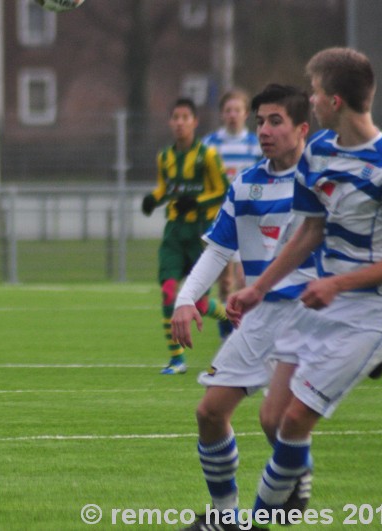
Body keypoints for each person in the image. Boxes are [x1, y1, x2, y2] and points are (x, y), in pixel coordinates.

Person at [228, 47, 382, 529]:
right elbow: (309, 231)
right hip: (322, 300)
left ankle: (254, 522)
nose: (309, 97)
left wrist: (339, 283)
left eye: (314, 90)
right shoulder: (321, 152)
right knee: (271, 418)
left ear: (334, 101)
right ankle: (289, 501)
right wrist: (258, 289)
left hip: (373, 310)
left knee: (293, 422)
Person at [171, 84, 316, 531]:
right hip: (257, 318)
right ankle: (225, 515)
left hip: (308, 317)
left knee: (277, 422)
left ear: (302, 128)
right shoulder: (247, 183)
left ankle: (298, 477)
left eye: (276, 121)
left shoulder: (322, 181)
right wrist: (185, 299)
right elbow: (218, 249)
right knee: (210, 413)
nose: (265, 130)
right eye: (260, 122)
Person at [141, 97, 229, 375]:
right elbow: (165, 189)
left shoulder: (208, 156)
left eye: (185, 117)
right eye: (175, 117)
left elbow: (223, 190)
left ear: (195, 122)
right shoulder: (164, 156)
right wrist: (152, 200)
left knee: (197, 304)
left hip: (199, 234)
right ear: (170, 122)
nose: (179, 123)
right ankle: (177, 359)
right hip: (174, 234)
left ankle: (230, 316)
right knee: (168, 292)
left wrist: (197, 202)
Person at [203, 89, 263, 339]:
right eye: (228, 110)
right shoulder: (210, 145)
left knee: (244, 280)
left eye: (237, 110)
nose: (232, 115)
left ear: (246, 113)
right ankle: (227, 335)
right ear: (221, 114)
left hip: (249, 221)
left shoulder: (255, 144)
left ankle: (245, 333)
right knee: (225, 282)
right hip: (223, 221)